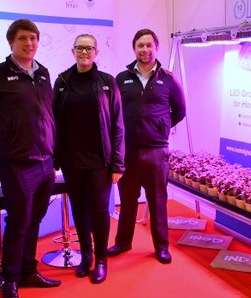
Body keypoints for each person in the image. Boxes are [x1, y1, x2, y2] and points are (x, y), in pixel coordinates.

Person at [0, 19, 60, 298]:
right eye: (23, 38)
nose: (29, 43)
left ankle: (28, 271)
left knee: (35, 220)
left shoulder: (43, 73)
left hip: (45, 162)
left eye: (33, 38)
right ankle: (10, 278)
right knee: (19, 222)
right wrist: (7, 145)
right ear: (11, 42)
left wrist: (52, 152)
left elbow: (48, 115)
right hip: (17, 164)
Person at [107, 29, 186, 264]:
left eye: (149, 45)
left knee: (158, 201)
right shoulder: (121, 79)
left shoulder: (168, 79)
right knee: (127, 201)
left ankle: (162, 247)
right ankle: (123, 243)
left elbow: (180, 111)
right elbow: (113, 111)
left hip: (156, 152)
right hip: (128, 151)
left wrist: (161, 127)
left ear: (156, 47)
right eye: (140, 45)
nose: (145, 49)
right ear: (134, 49)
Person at [53, 34, 125, 284]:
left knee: (99, 210)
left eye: (89, 48)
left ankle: (101, 259)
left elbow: (118, 124)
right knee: (79, 208)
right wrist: (54, 158)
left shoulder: (107, 82)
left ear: (96, 52)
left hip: (100, 160)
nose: (84, 52)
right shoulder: (62, 81)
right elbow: (54, 121)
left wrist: (118, 163)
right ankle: (86, 256)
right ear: (73, 51)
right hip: (71, 159)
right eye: (80, 48)